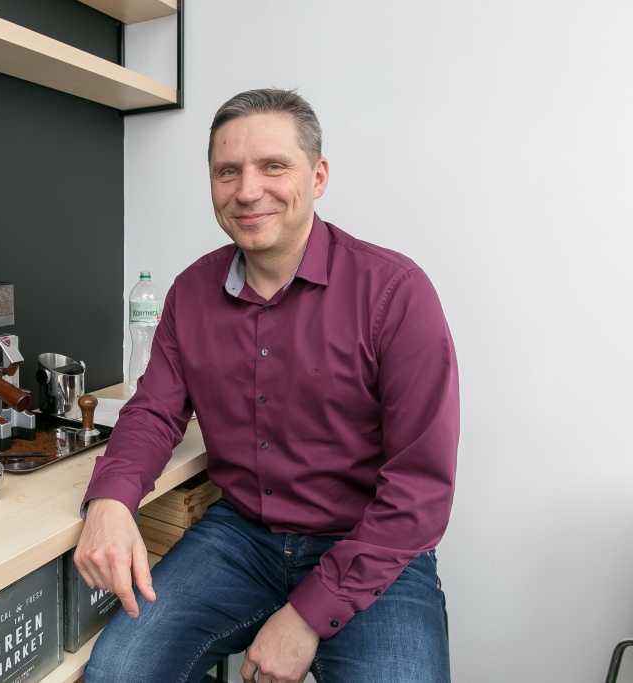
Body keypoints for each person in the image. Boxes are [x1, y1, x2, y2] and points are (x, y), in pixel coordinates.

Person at [74, 88, 459, 683]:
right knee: (118, 670)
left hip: (370, 546)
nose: (248, 191)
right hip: (242, 537)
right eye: (227, 171)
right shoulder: (189, 293)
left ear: (318, 176)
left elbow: (420, 489)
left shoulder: (396, 292)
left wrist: (305, 618)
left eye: (273, 166)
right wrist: (110, 500)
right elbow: (153, 413)